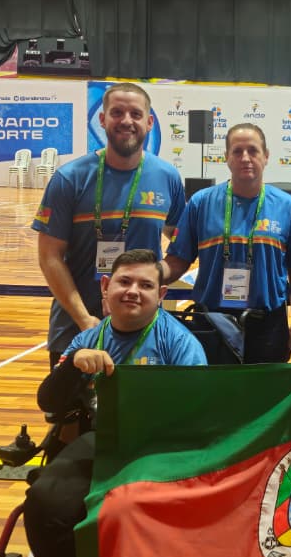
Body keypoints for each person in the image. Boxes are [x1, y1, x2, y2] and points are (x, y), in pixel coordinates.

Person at [0, 249, 207, 557]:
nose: (133, 291)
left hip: (156, 451)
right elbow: (48, 401)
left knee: (123, 512)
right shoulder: (87, 339)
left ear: (161, 294)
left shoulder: (180, 344)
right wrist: (73, 364)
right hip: (101, 444)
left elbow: (194, 418)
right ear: (106, 287)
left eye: (145, 285)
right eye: (124, 282)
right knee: (43, 502)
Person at [33, 82, 186, 364]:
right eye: (117, 113)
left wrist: (154, 275)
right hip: (76, 330)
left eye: (136, 114)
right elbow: (49, 256)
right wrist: (84, 320)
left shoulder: (167, 177)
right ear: (102, 119)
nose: (126, 121)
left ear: (149, 122)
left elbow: (182, 248)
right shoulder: (69, 178)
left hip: (144, 336)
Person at [164, 122, 291, 363]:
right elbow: (177, 260)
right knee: (215, 388)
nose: (245, 158)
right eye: (237, 151)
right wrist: (146, 276)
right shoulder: (200, 203)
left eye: (253, 150)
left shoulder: (288, 207)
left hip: (269, 326)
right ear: (226, 158)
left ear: (266, 156)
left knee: (268, 387)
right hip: (212, 321)